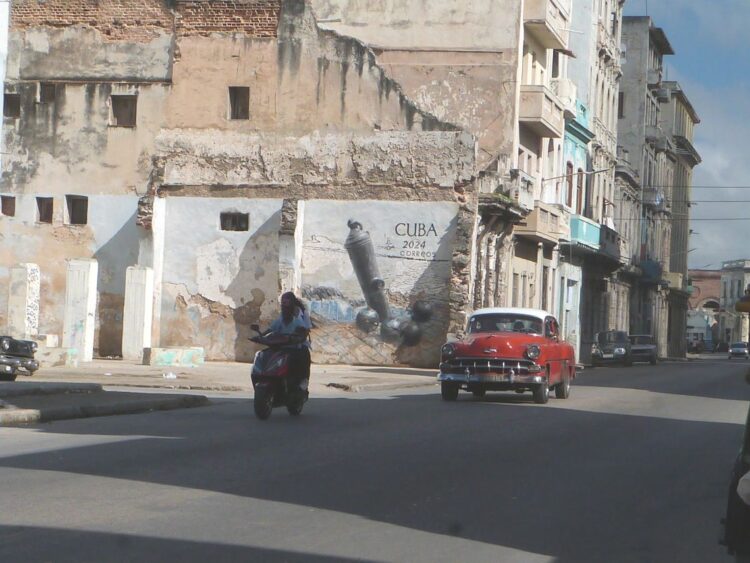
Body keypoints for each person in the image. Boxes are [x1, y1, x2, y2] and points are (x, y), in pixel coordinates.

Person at [268, 291, 312, 389]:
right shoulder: (282, 316)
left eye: (286, 302)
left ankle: (303, 380)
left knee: (303, 356)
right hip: (283, 343)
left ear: (292, 302)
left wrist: (300, 335)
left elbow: (307, 329)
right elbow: (272, 328)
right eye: (282, 303)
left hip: (298, 343)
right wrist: (261, 335)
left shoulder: (302, 313)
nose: (284, 305)